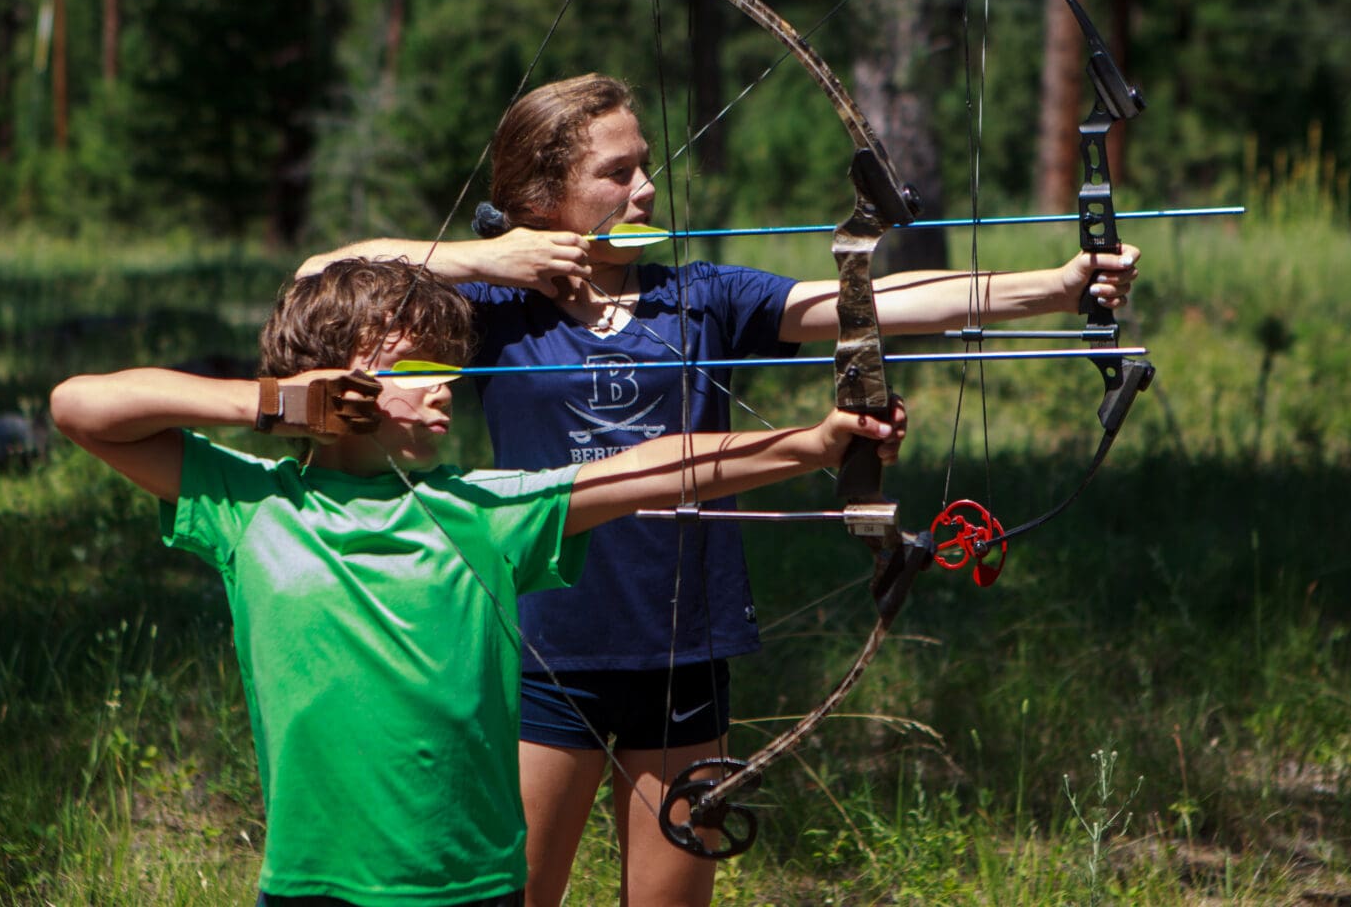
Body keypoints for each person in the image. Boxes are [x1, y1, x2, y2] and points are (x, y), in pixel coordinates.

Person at [298, 73, 1142, 907]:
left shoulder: (701, 297)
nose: (646, 187)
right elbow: (319, 274)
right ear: (543, 191)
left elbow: (869, 299)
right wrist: (487, 257)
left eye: (646, 165)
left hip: (685, 646)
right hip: (542, 649)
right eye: (617, 172)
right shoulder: (495, 306)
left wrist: (1060, 287)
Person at [49, 257, 905, 907]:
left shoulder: (488, 509)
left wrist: (814, 442)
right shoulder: (251, 505)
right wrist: (270, 403)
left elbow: (655, 467)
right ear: (336, 376)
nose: (449, 388)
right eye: (419, 369)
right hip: (312, 879)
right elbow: (79, 407)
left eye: (448, 369)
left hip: (477, 884)